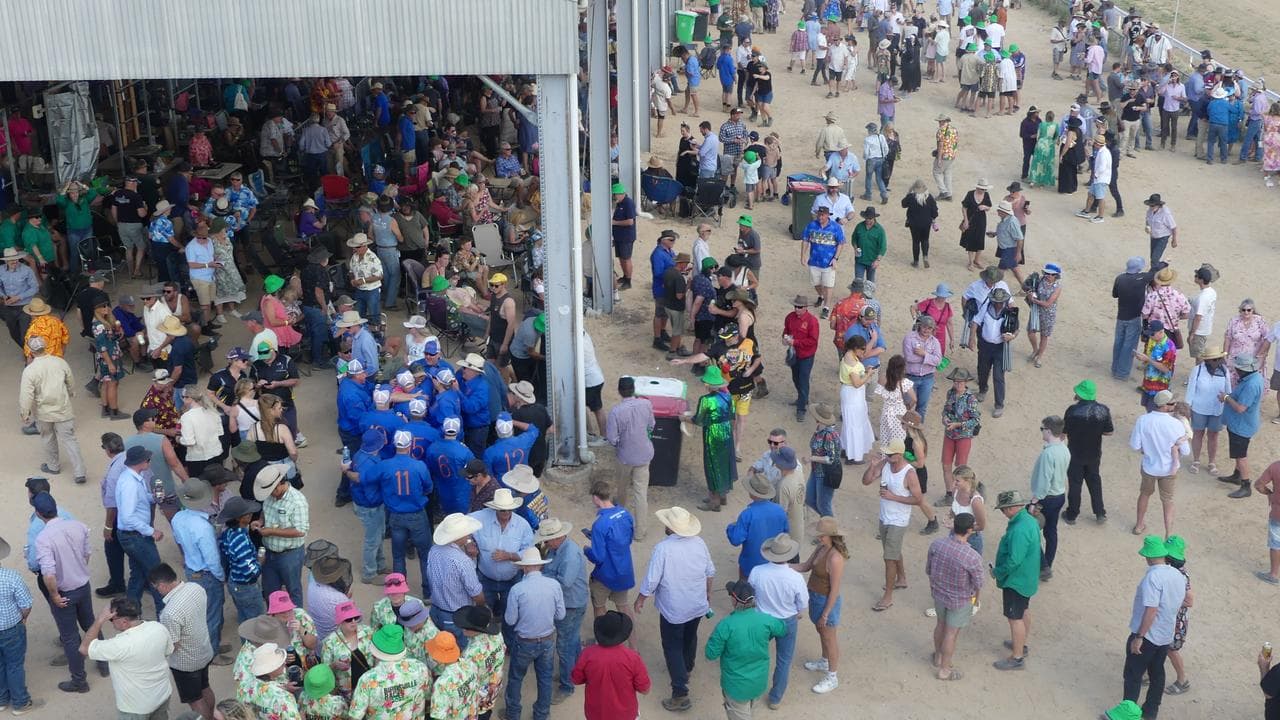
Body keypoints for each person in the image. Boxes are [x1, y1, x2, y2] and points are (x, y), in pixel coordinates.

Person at [634, 506, 716, 712]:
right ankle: (687, 668)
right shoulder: (699, 543)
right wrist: (707, 594)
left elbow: (652, 580)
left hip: (674, 607)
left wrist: (641, 598)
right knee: (690, 636)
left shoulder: (663, 548)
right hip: (697, 604)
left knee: (672, 646)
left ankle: (680, 692)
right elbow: (710, 571)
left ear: (670, 527)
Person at [1122, 535, 1188, 719]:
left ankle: (1128, 712)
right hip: (1165, 634)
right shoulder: (1178, 574)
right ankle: (1151, 711)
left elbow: (1151, 610)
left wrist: (1139, 637)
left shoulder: (1153, 577)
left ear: (1149, 556)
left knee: (1133, 674)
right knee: (1157, 673)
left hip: (1148, 635)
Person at [82, 597, 175, 720]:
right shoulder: (158, 627)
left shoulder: (119, 645)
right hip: (162, 695)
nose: (110, 621)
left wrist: (99, 620)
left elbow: (84, 648)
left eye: (111, 619)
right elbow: (168, 651)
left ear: (124, 621)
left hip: (136, 707)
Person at [149, 563, 221, 719]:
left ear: (162, 585)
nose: (157, 590)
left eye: (156, 587)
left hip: (186, 663)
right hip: (204, 650)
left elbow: (173, 645)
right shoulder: (196, 588)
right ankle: (213, 716)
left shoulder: (169, 613)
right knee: (205, 687)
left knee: (195, 700)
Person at [705, 579, 787, 719]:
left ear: (734, 599)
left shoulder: (726, 625)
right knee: (749, 709)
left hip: (736, 686)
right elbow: (782, 628)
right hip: (758, 681)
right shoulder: (765, 620)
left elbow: (710, 654)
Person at [503, 547, 565, 720]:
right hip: (546, 640)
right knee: (545, 678)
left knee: (516, 678)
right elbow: (561, 615)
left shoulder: (517, 589)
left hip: (524, 641)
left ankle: (513, 714)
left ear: (524, 567)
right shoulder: (554, 585)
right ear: (540, 566)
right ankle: (541, 715)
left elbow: (509, 620)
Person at [468, 488, 534, 649]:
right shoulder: (480, 518)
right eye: (502, 509)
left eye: (508, 509)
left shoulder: (523, 525)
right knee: (484, 613)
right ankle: (486, 646)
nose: (505, 512)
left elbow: (529, 552)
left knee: (510, 615)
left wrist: (509, 556)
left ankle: (508, 645)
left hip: (512, 579)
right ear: (495, 508)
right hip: (486, 577)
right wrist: (470, 543)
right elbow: (463, 524)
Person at [747, 534, 806, 709]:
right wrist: (798, 612)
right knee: (784, 660)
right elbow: (802, 602)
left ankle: (752, 691)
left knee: (757, 656)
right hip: (787, 620)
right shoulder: (795, 577)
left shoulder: (757, 571)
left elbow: (751, 595)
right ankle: (775, 698)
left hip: (762, 619)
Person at [18, 336, 87, 483]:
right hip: (63, 409)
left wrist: (25, 413)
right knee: (69, 440)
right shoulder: (60, 362)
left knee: (48, 437)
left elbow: (26, 394)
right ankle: (80, 472)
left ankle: (53, 466)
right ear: (46, 346)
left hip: (44, 412)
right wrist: (71, 392)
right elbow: (70, 381)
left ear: (30, 351)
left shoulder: (30, 370)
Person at [926, 511, 984, 681]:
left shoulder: (937, 544)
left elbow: (928, 569)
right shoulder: (972, 556)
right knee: (951, 633)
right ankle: (944, 669)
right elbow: (979, 583)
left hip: (939, 593)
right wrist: (976, 600)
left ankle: (937, 657)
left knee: (940, 625)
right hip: (960, 599)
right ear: (969, 530)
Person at [376, 431, 433, 599]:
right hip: (416, 514)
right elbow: (428, 487)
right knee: (425, 555)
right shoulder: (419, 465)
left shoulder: (386, 465)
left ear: (395, 444)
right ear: (409, 445)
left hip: (396, 515)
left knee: (398, 555)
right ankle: (427, 592)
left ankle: (399, 592)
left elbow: (369, 478)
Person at [992, 490, 1041, 671]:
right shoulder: (1029, 520)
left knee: (1015, 618)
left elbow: (1014, 560)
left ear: (1012, 508)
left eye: (1004, 509)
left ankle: (1017, 657)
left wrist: (998, 572)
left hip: (1016, 580)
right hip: (1027, 578)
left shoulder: (1019, 529)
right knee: (1024, 610)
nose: (1003, 513)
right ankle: (1021, 644)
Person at [1130, 390, 1190, 537]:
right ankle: (1168, 533)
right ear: (1165, 406)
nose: (1175, 405)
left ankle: (1139, 525)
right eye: (1172, 403)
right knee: (1168, 500)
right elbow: (1186, 451)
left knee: (1144, 494)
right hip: (1169, 469)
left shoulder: (1143, 420)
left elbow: (1135, 445)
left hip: (1149, 467)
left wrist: (1146, 449)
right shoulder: (1176, 425)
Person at [571, 610, 650, 720]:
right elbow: (644, 689)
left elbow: (576, 679)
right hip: (626, 715)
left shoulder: (587, 654)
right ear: (623, 635)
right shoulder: (632, 658)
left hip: (595, 714)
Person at [348, 624, 431, 719]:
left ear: (375, 649)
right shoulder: (420, 668)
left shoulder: (368, 679)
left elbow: (355, 715)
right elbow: (426, 695)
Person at [583, 480, 635, 626]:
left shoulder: (599, 524)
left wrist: (587, 551)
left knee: (599, 607)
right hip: (624, 570)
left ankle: (603, 640)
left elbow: (598, 557)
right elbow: (627, 540)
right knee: (624, 607)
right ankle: (634, 646)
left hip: (605, 575)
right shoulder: (626, 514)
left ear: (595, 498)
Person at [1062, 380, 1115, 525]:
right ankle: (1099, 512)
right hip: (1094, 453)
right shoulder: (1103, 410)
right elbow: (1109, 432)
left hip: (1075, 453)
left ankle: (1072, 515)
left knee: (1075, 483)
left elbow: (1064, 431)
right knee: (1094, 481)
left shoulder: (1072, 411)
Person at [965, 286, 1017, 418]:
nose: (998, 304)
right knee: (983, 370)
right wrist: (971, 339)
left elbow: (1016, 329)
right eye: (996, 302)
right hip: (985, 345)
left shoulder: (1010, 312)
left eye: (1001, 302)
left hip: (1000, 348)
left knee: (998, 377)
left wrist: (1012, 336)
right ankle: (982, 390)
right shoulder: (986, 307)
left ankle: (999, 405)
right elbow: (976, 321)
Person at [1029, 417, 1070, 581]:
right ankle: (1048, 565)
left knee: (1029, 529)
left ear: (1049, 431)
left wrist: (1034, 501)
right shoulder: (1064, 449)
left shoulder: (1048, 454)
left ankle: (1043, 565)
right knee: (1051, 531)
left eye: (1042, 428)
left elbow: (1044, 480)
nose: (1041, 431)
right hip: (1059, 495)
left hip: (1046, 498)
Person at [727, 474, 789, 581]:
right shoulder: (779, 510)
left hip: (751, 565)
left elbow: (735, 540)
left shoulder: (747, 514)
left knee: (746, 593)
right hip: (773, 562)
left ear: (752, 493)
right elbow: (786, 532)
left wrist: (731, 527)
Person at [1220, 353, 1266, 498]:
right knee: (1239, 452)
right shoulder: (1255, 378)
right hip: (1244, 423)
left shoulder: (1251, 385)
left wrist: (1226, 398)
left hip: (1241, 426)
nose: (1236, 371)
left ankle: (1246, 486)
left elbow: (1240, 408)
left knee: (1241, 455)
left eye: (1238, 369)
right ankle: (1237, 475)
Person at [1184, 347, 1229, 477]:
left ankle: (1211, 462)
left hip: (1217, 409)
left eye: (1219, 359)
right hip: (1199, 408)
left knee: (1213, 435)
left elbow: (1228, 390)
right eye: (1216, 359)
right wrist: (1188, 407)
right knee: (1198, 433)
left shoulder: (1224, 371)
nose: (1219, 361)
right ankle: (1196, 460)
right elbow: (1190, 390)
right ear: (1209, 360)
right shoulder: (1197, 370)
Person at [800, 205, 845, 317]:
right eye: (819, 214)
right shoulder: (811, 226)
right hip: (814, 261)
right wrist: (803, 255)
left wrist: (835, 258)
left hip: (828, 262)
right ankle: (821, 295)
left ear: (827, 215)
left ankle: (826, 307)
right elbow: (805, 240)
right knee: (815, 283)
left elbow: (841, 243)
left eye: (822, 215)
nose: (820, 217)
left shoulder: (835, 227)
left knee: (829, 285)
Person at [837, 338, 875, 464]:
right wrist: (868, 374)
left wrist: (864, 372)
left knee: (850, 423)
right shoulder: (852, 361)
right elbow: (857, 383)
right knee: (855, 423)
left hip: (850, 394)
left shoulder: (848, 356)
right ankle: (853, 456)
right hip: (853, 395)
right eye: (862, 349)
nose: (864, 352)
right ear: (855, 348)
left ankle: (846, 449)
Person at [783, 295, 820, 422]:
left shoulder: (812, 321)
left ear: (805, 307)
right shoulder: (790, 317)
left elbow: (813, 341)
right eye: (795, 306)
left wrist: (795, 342)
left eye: (799, 307)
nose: (797, 309)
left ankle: (801, 408)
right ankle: (802, 398)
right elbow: (786, 331)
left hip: (806, 355)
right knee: (795, 377)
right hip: (794, 353)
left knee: (803, 379)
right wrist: (785, 338)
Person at [901, 179, 939, 268]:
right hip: (926, 223)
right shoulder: (929, 198)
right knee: (925, 239)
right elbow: (935, 212)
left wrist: (908, 192)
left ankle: (916, 261)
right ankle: (925, 256)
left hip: (914, 223)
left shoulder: (911, 197)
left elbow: (903, 204)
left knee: (916, 241)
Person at [959, 179, 992, 271]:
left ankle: (977, 260)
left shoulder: (986, 195)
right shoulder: (970, 194)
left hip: (981, 220)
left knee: (980, 240)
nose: (983, 191)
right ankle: (970, 262)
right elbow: (964, 207)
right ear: (978, 187)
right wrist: (966, 220)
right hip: (971, 220)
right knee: (971, 240)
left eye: (985, 189)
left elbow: (989, 206)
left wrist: (985, 207)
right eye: (982, 189)